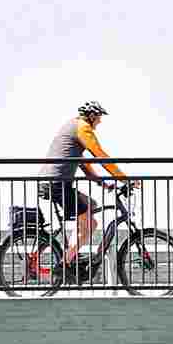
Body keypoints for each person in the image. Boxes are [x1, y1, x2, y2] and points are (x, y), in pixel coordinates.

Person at [40, 100, 130, 281]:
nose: (100, 122)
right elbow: (100, 155)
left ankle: (71, 252)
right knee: (91, 225)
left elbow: (83, 164)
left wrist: (103, 183)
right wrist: (123, 178)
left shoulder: (73, 127)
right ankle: (64, 264)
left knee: (92, 204)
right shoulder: (83, 128)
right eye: (98, 118)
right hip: (57, 184)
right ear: (91, 116)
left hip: (54, 182)